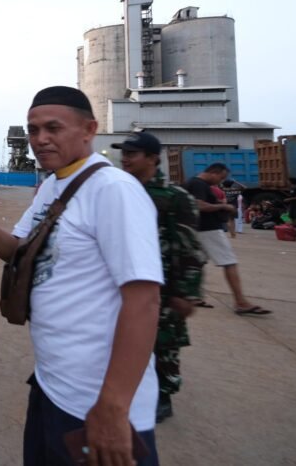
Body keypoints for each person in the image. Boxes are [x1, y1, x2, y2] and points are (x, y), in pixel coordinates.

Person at [0, 86, 163, 466]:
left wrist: (114, 406)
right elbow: (15, 251)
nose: (40, 139)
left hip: (96, 403)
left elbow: (144, 301)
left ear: (89, 130)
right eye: (33, 130)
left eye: (53, 128)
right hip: (51, 386)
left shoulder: (114, 190)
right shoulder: (52, 187)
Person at [114, 131, 204, 423]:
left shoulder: (175, 197)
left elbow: (189, 247)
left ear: (153, 158)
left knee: (163, 342)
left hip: (162, 285)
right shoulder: (119, 191)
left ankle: (163, 396)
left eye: (132, 154)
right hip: (122, 282)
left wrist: (186, 292)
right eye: (123, 153)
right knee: (125, 338)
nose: (125, 159)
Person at [185, 164, 271, 316]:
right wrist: (223, 207)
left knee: (197, 262)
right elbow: (199, 205)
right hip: (209, 229)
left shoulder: (194, 183)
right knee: (229, 262)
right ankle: (240, 302)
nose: (220, 181)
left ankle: (193, 296)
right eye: (221, 177)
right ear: (213, 172)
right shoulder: (199, 184)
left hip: (199, 228)